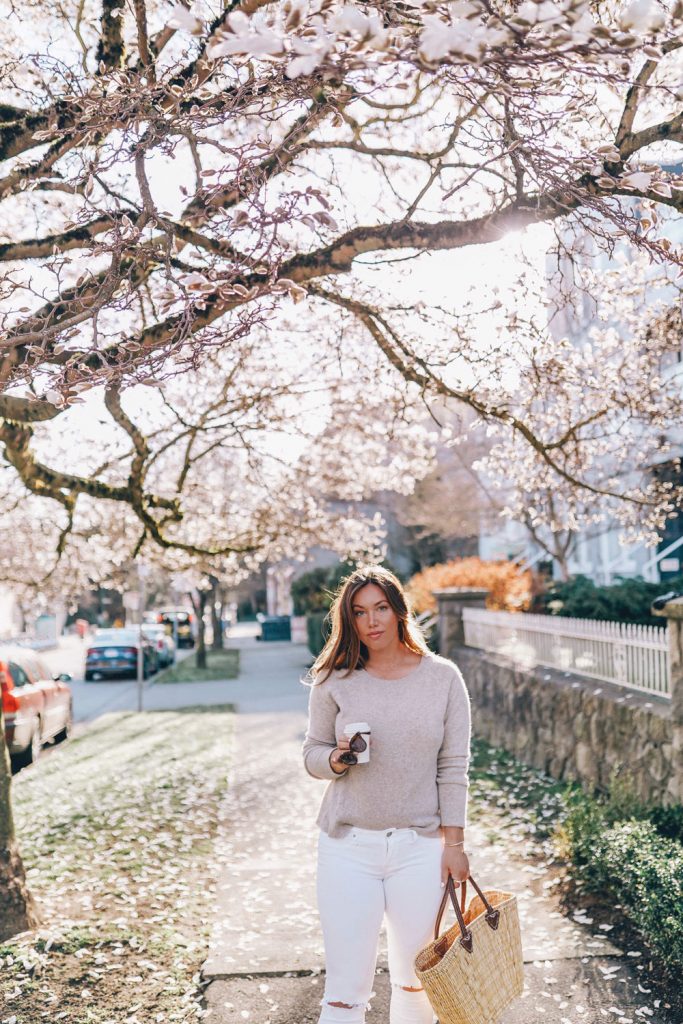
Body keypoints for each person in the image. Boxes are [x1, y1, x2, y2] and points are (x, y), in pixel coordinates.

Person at [302, 565, 471, 1024]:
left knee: (417, 984)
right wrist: (335, 760)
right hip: (347, 848)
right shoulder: (334, 679)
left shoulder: (443, 678)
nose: (372, 621)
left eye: (380, 608)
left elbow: (453, 768)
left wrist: (454, 845)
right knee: (344, 992)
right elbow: (311, 753)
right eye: (359, 612)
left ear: (399, 611)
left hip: (420, 849)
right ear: (349, 620)